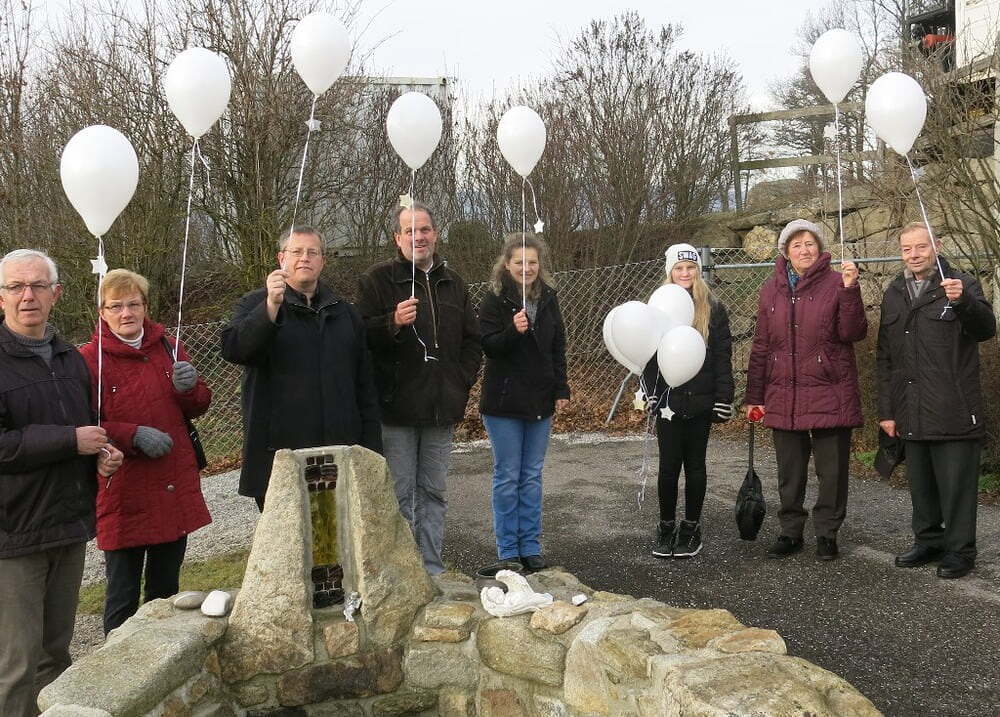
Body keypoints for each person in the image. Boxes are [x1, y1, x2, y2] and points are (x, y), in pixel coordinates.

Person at [0, 249, 122, 717]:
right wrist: (70, 441)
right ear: (3, 297)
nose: (27, 296)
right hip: (14, 535)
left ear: (56, 295)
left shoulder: (72, 359)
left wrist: (100, 458)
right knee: (16, 664)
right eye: (16, 287)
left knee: (57, 657)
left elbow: (88, 428)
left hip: (67, 527)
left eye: (37, 286)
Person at [78, 269, 212, 634]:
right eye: (116, 306)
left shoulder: (169, 346)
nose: (126, 313)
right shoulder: (89, 360)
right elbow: (84, 421)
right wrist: (131, 434)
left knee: (166, 589)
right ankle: (118, 673)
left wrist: (191, 389)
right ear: (102, 312)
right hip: (123, 487)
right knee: (122, 593)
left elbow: (197, 405)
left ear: (145, 307)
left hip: (171, 480)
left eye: (133, 304)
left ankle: (165, 663)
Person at [357, 202, 481, 575]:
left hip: (441, 407)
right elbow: (360, 336)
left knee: (435, 493)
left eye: (424, 229)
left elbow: (472, 340)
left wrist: (461, 379)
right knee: (399, 495)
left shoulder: (453, 282)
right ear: (397, 238)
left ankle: (431, 567)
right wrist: (392, 322)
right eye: (410, 231)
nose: (418, 236)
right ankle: (402, 571)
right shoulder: (377, 281)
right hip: (396, 410)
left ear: (435, 234)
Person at [221, 226, 382, 511]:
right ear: (281, 258)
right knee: (289, 545)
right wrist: (270, 306)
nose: (304, 258)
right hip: (281, 454)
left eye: (312, 252)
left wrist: (370, 448)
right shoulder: (255, 304)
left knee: (329, 540)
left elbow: (364, 385)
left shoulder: (345, 313)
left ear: (323, 261)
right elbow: (235, 349)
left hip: (336, 450)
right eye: (296, 252)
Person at [877, 222, 995, 579]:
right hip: (909, 407)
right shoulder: (894, 292)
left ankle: (960, 550)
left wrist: (964, 302)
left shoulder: (961, 285)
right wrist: (886, 410)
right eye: (906, 249)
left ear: (936, 246)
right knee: (922, 483)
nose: (914, 255)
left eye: (921, 247)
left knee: (957, 486)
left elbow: (986, 329)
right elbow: (884, 356)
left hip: (953, 407)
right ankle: (928, 541)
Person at [745, 219, 866, 561]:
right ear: (785, 251)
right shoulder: (771, 289)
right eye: (796, 244)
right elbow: (761, 346)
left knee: (832, 471)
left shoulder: (836, 283)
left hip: (829, 391)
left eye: (809, 243)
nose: (804, 250)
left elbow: (854, 332)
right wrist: (755, 396)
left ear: (820, 248)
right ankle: (790, 531)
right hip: (784, 393)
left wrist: (850, 290)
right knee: (790, 470)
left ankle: (827, 533)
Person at [478, 235, 569, 572]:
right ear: (507, 264)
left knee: (531, 476)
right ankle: (507, 550)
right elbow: (488, 346)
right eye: (520, 263)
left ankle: (530, 546)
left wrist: (561, 389)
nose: (527, 268)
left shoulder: (549, 299)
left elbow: (557, 346)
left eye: (532, 262)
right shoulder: (494, 300)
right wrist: (511, 331)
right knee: (507, 476)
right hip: (503, 402)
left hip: (539, 400)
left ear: (539, 265)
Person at [642, 243, 734, 559]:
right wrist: (649, 390)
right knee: (668, 467)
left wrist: (724, 396)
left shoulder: (714, 308)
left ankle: (691, 527)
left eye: (690, 267)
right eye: (678, 268)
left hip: (702, 399)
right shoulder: (658, 307)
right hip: (668, 401)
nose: (685, 273)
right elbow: (648, 356)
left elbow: (723, 356)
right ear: (670, 272)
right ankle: (666, 526)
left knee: (695, 465)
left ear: (698, 271)